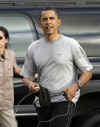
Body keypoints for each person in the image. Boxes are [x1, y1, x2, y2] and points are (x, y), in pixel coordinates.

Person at [21, 8, 93, 127]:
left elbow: (88, 71)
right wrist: (30, 84)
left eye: (51, 18)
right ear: (40, 23)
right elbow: (26, 76)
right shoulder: (33, 47)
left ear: (58, 22)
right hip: (43, 101)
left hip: (64, 99)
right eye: (45, 19)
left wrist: (76, 86)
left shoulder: (71, 44)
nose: (48, 22)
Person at [0, 26, 21, 127]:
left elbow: (17, 70)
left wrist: (32, 74)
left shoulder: (11, 55)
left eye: (0, 38)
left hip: (5, 104)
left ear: (6, 40)